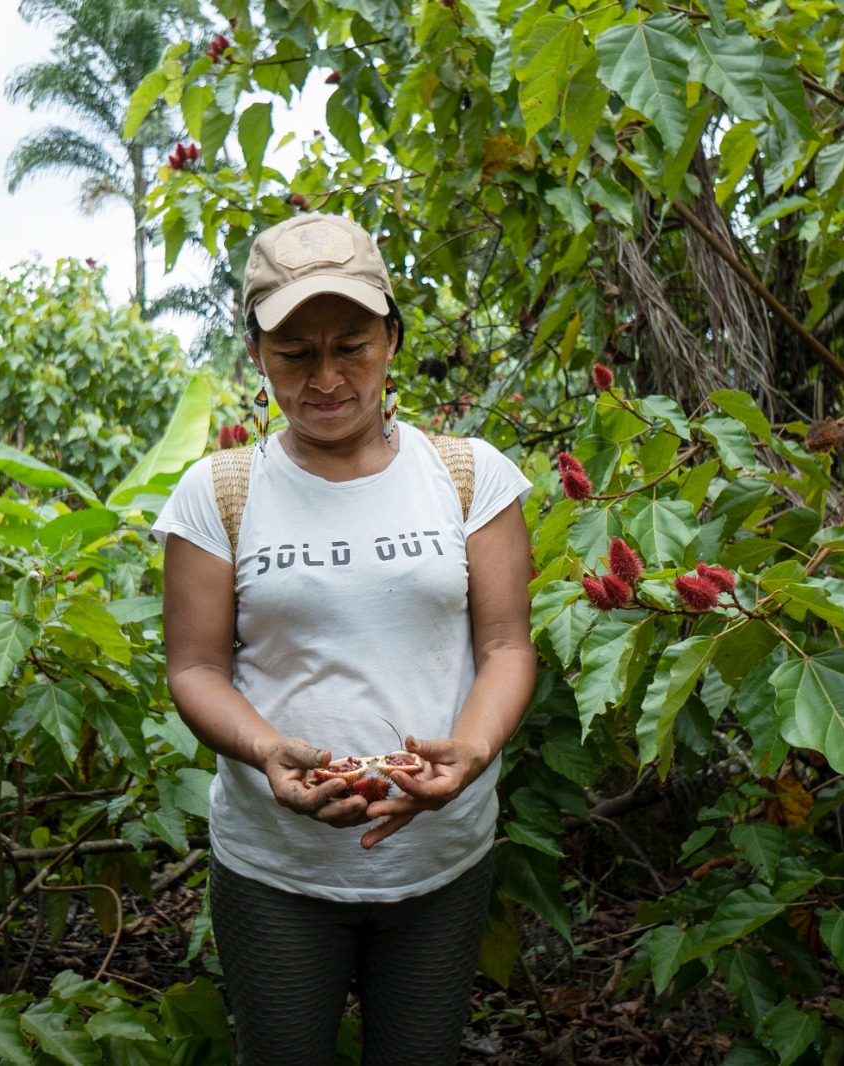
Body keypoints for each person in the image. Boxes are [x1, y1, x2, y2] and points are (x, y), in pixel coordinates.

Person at [152, 212, 536, 1065]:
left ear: (392, 339)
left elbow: (507, 648)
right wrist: (267, 751)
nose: (325, 377)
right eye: (294, 353)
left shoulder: (470, 475)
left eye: (351, 345)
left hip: (443, 859)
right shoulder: (218, 493)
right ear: (257, 354)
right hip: (275, 867)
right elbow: (196, 666)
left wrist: (468, 753)